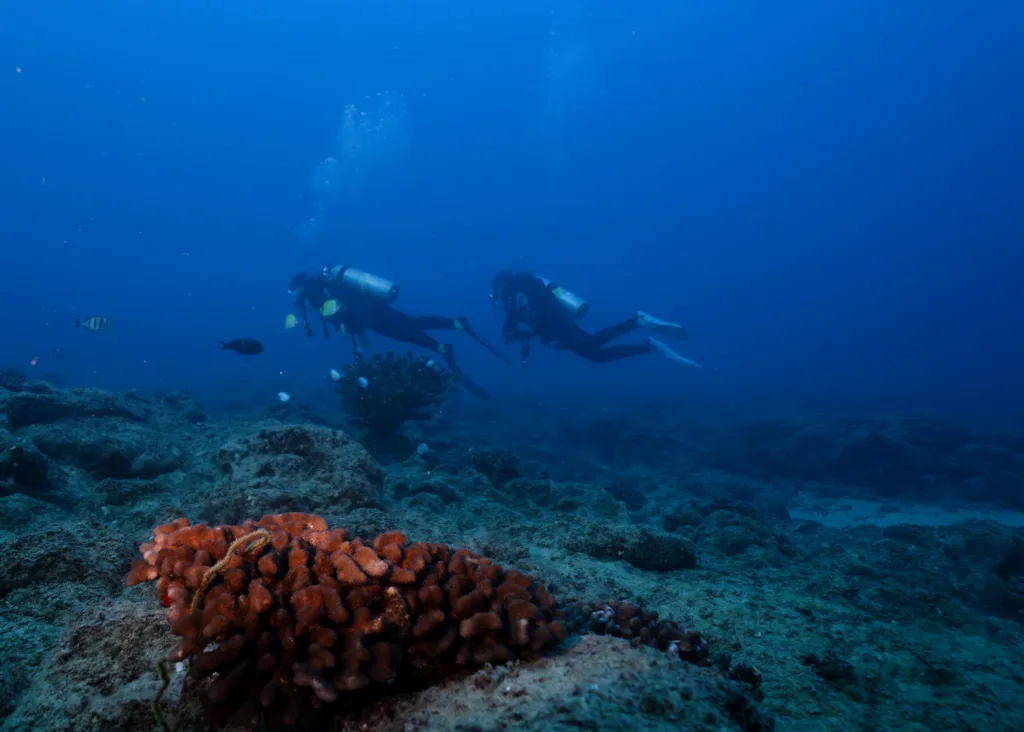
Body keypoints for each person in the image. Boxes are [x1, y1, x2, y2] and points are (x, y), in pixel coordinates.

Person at [490, 269, 700, 367]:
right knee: (597, 356)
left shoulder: (514, 293)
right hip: (557, 330)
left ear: (502, 285)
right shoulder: (519, 293)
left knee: (595, 344)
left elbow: (519, 320)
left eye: (496, 290)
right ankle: (650, 346)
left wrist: (519, 333)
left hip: (558, 328)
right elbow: (513, 326)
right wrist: (517, 334)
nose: (496, 295)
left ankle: (637, 321)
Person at [288, 272, 333, 339]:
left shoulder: (311, 291)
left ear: (300, 288)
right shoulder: (307, 291)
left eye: (296, 292)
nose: (297, 296)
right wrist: (306, 324)